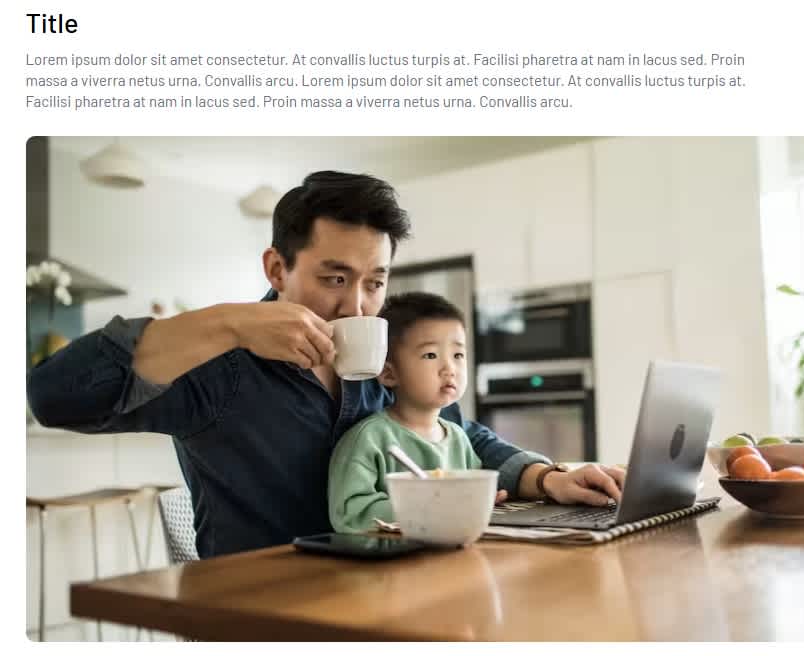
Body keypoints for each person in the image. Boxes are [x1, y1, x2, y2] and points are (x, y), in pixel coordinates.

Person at [26, 170, 625, 558]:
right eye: (335, 278)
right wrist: (229, 323)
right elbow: (53, 396)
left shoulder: (383, 359)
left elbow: (456, 434)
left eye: (375, 282)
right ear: (277, 270)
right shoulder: (219, 363)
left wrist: (546, 478)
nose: (356, 304)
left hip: (388, 593)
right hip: (265, 614)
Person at [329, 292, 488, 533]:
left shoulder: (459, 438)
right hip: (389, 565)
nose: (450, 369)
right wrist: (426, 507)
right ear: (389, 373)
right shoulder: (369, 439)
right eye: (430, 355)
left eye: (458, 355)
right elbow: (351, 513)